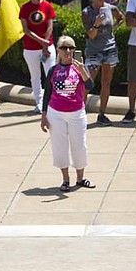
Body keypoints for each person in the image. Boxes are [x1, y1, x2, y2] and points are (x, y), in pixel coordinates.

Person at [40, 36, 96, 192]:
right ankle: (65, 179)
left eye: (71, 47)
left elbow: (90, 85)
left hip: (76, 112)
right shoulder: (53, 70)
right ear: (58, 50)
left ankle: (80, 178)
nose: (68, 51)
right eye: (64, 48)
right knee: (60, 146)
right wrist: (44, 116)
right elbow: (47, 94)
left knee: (79, 145)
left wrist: (83, 71)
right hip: (55, 113)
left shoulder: (79, 68)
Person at [82, 0, 124, 126]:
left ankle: (102, 114)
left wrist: (113, 29)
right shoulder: (87, 12)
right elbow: (91, 35)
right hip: (94, 51)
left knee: (106, 83)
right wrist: (97, 24)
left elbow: (121, 18)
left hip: (110, 50)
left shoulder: (111, 8)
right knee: (89, 82)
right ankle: (78, 113)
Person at [19, 0, 56, 113]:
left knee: (51, 75)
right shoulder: (24, 8)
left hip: (47, 49)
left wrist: (45, 45)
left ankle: (52, 102)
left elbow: (50, 26)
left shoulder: (47, 6)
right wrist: (42, 42)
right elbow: (26, 30)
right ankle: (39, 102)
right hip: (30, 48)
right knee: (35, 76)